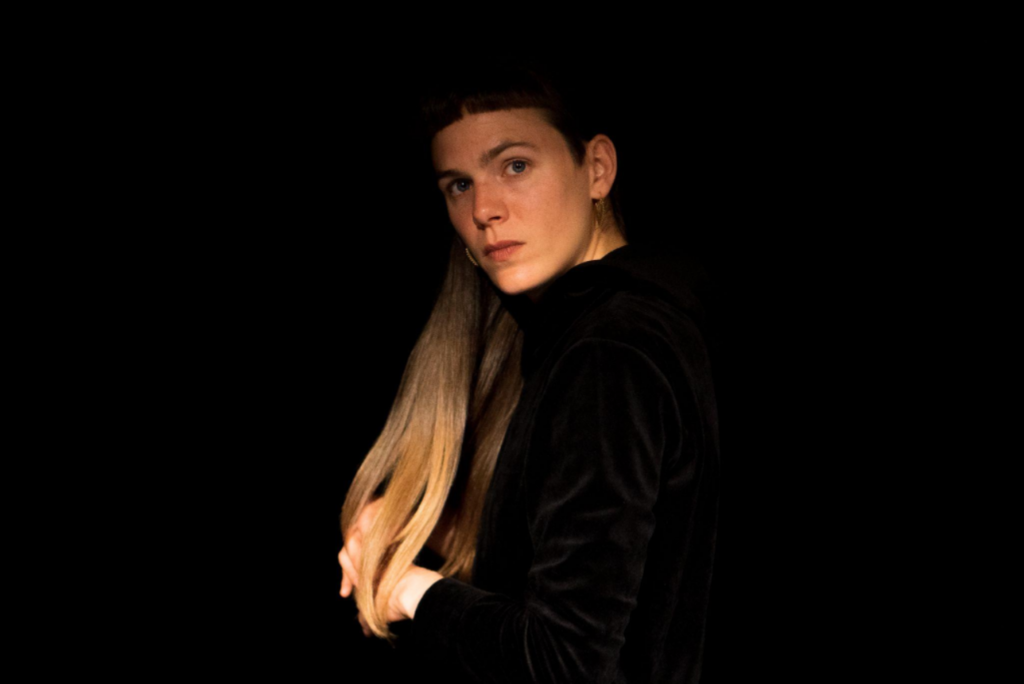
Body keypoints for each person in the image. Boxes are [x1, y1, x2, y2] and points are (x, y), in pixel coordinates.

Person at [338, 64, 719, 683]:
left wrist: (409, 590)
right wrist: (417, 524)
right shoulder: (635, 323)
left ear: (597, 168)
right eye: (459, 185)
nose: (484, 209)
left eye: (515, 165)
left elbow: (565, 663)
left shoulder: (609, 350)